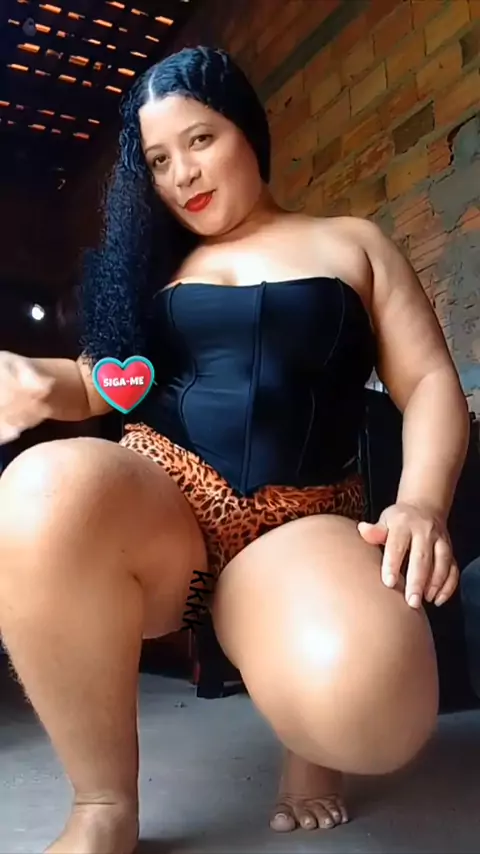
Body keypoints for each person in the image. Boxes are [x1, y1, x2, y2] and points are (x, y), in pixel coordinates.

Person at [0, 46, 469, 854]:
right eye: (158, 160)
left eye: (199, 139)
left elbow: (427, 382)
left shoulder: (352, 243)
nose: (182, 173)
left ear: (248, 130)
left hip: (300, 522)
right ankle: (103, 803)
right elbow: (106, 384)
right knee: (41, 487)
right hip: (166, 520)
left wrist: (422, 501)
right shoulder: (155, 274)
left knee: (376, 704)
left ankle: (309, 736)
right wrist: (46, 382)